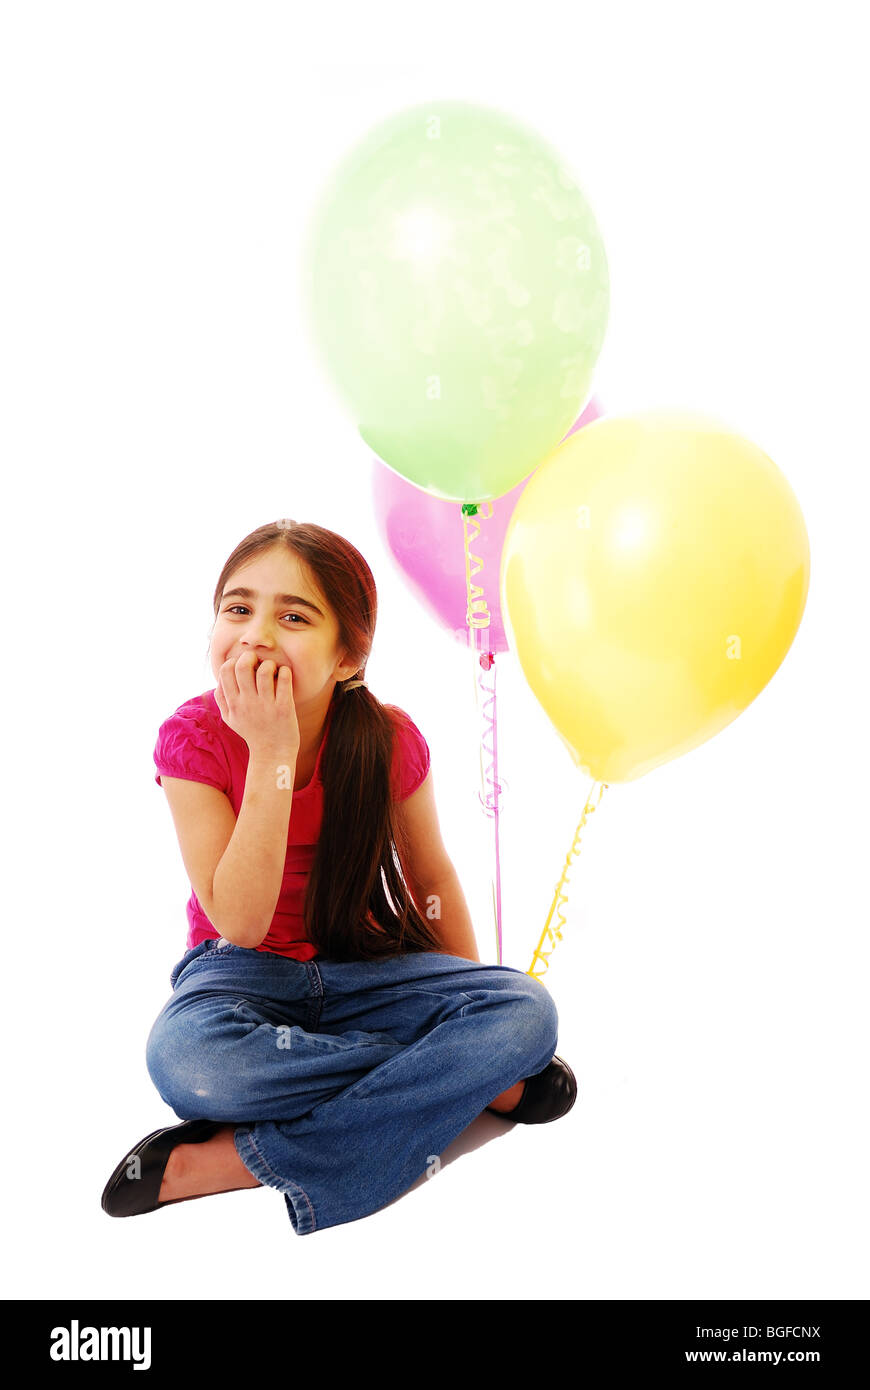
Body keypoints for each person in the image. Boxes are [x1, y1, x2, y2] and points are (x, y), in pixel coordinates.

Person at [101, 519, 576, 1236]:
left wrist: (466, 998)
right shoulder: (191, 740)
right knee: (188, 1066)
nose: (258, 633)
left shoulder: (388, 740)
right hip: (238, 978)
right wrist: (272, 752)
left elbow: (431, 877)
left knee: (528, 1010)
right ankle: (464, 1080)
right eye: (238, 608)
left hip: (365, 969)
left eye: (293, 616)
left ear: (349, 657)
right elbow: (241, 921)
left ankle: (236, 1159)